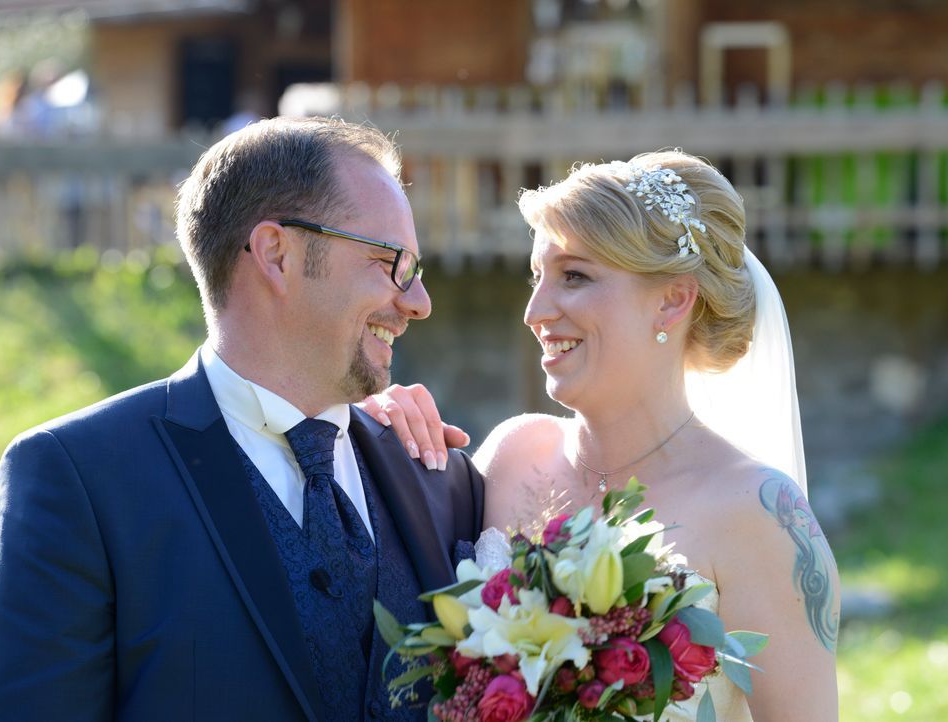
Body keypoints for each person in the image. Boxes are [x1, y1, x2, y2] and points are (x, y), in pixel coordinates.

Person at [0, 117, 485, 722]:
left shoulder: (441, 479)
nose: (418, 301)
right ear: (276, 253)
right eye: (392, 262)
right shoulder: (75, 481)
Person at [360, 151, 840, 721]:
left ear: (672, 300)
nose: (535, 312)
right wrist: (372, 427)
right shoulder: (513, 455)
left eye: (575, 276)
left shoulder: (759, 512)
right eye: (538, 278)